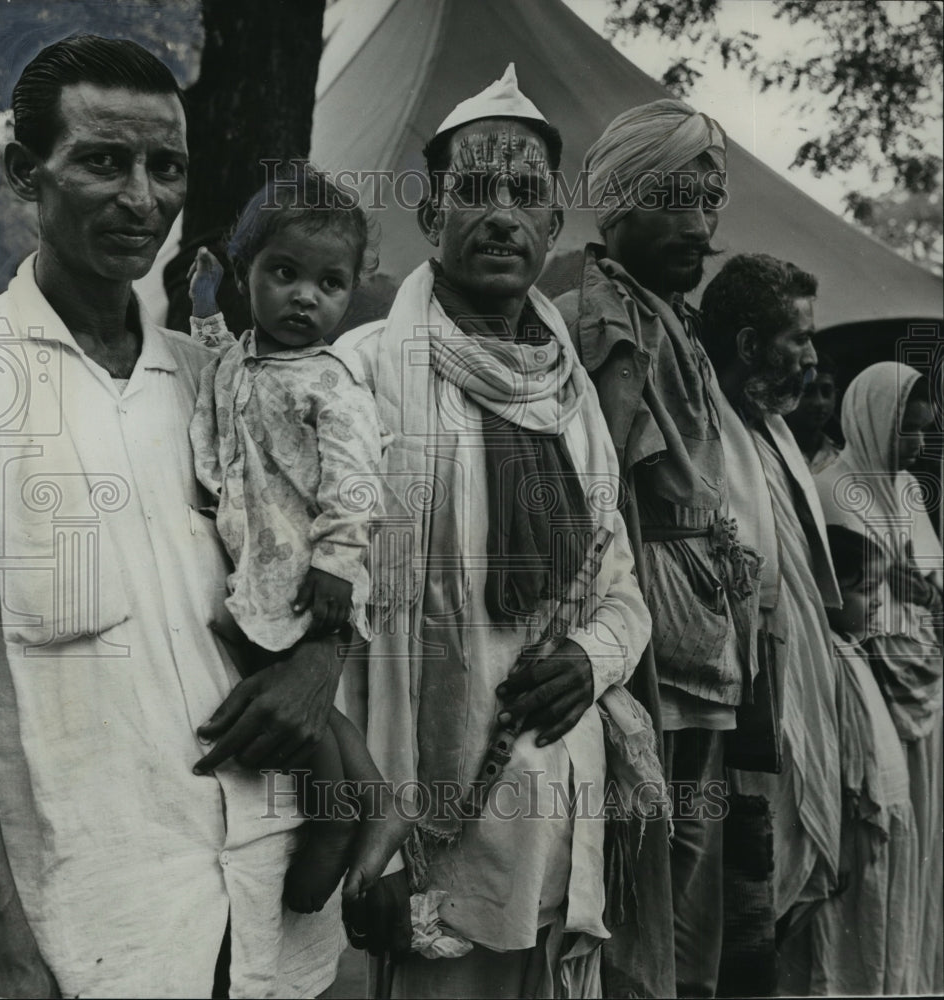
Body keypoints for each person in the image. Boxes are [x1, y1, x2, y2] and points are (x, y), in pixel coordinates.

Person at [0, 35, 358, 997]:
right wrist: (0, 941)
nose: (142, 198)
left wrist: (322, 659)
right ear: (26, 171)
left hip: (264, 897)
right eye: (104, 161)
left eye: (167, 167)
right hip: (94, 919)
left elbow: (320, 539)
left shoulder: (218, 381)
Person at [335, 64, 656, 998]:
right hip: (418, 837)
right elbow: (323, 621)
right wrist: (371, 824)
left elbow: (623, 591)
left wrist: (593, 661)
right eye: (475, 190)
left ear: (556, 229)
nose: (503, 214)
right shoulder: (361, 374)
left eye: (528, 196)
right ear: (429, 215)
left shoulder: (575, 397)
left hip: (555, 813)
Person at [555, 99, 760, 999]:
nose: (701, 226)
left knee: (686, 894)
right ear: (623, 202)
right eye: (679, 199)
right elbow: (600, 506)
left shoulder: (671, 318)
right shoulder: (606, 324)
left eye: (711, 203)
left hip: (700, 640)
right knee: (643, 893)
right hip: (650, 649)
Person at [186, 164, 411, 917]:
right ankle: (378, 798)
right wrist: (203, 309)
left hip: (304, 567)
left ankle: (334, 814)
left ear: (351, 291)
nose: (306, 297)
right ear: (246, 272)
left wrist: (340, 565)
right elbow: (218, 365)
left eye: (329, 283)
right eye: (284, 274)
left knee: (295, 697)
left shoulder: (330, 382)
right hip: (264, 559)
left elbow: (357, 479)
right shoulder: (245, 359)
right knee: (311, 694)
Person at [698, 253, 842, 988]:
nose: (813, 358)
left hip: (795, 692)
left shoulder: (773, 433)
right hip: (731, 716)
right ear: (749, 345)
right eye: (798, 339)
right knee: (727, 913)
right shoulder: (701, 430)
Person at [814, 362, 943, 993]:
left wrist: (922, 596)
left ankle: (906, 973)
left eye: (922, 433)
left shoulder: (910, 494)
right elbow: (846, 602)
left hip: (922, 682)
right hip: (868, 690)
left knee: (918, 837)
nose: (915, 447)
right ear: (871, 421)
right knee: (874, 845)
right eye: (905, 432)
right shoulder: (835, 490)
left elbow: (930, 583)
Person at [778, 523, 919, 995]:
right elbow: (829, 760)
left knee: (880, 941)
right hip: (854, 832)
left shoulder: (855, 651)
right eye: (865, 589)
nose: (878, 600)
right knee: (845, 954)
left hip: (882, 826)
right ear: (829, 594)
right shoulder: (828, 658)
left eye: (880, 587)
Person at [784, 353, 842, 473]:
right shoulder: (771, 452)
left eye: (826, 392)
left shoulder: (841, 457)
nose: (819, 402)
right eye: (807, 392)